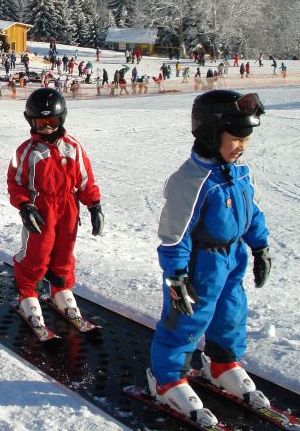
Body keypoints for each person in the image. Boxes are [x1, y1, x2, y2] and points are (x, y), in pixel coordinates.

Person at [146, 90, 270, 426]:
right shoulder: (192, 180)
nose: (241, 146)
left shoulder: (238, 172)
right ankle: (165, 378)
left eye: (246, 139)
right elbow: (174, 234)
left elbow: (253, 212)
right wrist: (176, 276)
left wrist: (260, 247)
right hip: (198, 265)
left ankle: (221, 362)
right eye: (235, 139)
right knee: (185, 322)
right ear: (211, 134)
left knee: (231, 314)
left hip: (232, 259)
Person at [7, 88, 103, 334]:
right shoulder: (26, 151)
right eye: (41, 123)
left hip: (68, 208)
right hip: (41, 210)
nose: (47, 128)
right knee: (37, 255)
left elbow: (85, 180)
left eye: (52, 122)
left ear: (62, 120)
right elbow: (16, 183)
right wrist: (25, 206)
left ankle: (60, 288)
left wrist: (94, 205)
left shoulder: (73, 147)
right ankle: (27, 293)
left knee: (64, 252)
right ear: (31, 122)